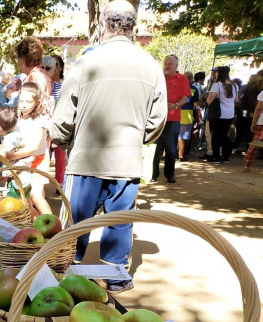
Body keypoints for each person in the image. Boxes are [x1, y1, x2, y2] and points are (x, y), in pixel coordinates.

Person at [49, 0, 167, 294]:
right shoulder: (151, 66)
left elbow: (62, 119)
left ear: (102, 25)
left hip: (86, 160)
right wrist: (134, 138)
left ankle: (65, 273)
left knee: (75, 224)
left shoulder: (86, 63)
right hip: (127, 161)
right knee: (120, 221)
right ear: (133, 28)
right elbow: (156, 121)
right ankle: (115, 275)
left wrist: (65, 139)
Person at [5, 82, 52, 216]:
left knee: (36, 195)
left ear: (36, 102)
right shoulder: (17, 118)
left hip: (38, 161)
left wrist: (10, 156)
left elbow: (34, 147)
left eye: (28, 101)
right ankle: (38, 224)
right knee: (25, 199)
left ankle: (56, 229)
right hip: (22, 161)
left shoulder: (40, 120)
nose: (24, 105)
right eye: (21, 101)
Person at [152, 55, 190, 183]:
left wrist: (176, 105)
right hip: (157, 118)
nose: (167, 66)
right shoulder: (158, 77)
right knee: (154, 147)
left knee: (171, 148)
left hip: (173, 118)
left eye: (170, 64)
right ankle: (153, 174)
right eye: (165, 63)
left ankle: (170, 174)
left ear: (176, 66)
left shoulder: (182, 78)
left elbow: (185, 97)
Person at [206, 66, 239, 163]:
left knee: (215, 136)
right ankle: (226, 156)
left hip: (218, 114)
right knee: (224, 135)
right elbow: (236, 100)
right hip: (230, 114)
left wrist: (207, 102)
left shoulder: (217, 85)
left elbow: (210, 99)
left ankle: (216, 157)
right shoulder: (234, 85)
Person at [14, 36, 53, 115]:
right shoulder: (36, 73)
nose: (17, 63)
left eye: (18, 58)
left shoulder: (36, 75)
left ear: (23, 58)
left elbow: (40, 102)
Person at [0, 106, 24, 184]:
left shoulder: (9, 140)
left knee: (13, 194)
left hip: (16, 174)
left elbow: (5, 157)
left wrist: (1, 149)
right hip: (18, 172)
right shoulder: (15, 134)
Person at [49, 54, 67, 186]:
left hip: (59, 125)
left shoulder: (65, 85)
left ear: (60, 68)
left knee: (61, 157)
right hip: (46, 125)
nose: (53, 69)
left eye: (56, 65)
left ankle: (60, 183)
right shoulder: (45, 84)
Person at [235, 74, 262, 153]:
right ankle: (244, 146)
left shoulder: (243, 86)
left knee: (239, 129)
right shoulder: (251, 89)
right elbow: (251, 102)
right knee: (247, 130)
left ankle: (237, 145)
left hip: (241, 110)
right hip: (247, 111)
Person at [176, 71, 199, 162]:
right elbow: (195, 103)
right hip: (187, 114)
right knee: (182, 136)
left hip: (175, 112)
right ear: (191, 79)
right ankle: (181, 155)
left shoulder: (177, 86)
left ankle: (165, 154)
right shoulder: (193, 89)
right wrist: (200, 103)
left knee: (172, 134)